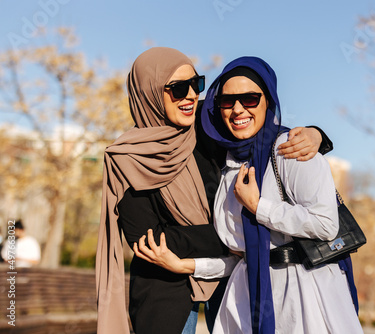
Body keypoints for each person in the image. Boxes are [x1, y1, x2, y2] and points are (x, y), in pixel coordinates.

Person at [95, 47, 332, 334]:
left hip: (230, 278)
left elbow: (259, 125)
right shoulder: (128, 157)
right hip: (166, 286)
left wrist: (316, 134)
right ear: (150, 93)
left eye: (197, 84)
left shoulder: (208, 125)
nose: (191, 96)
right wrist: (241, 233)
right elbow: (150, 241)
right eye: (179, 89)